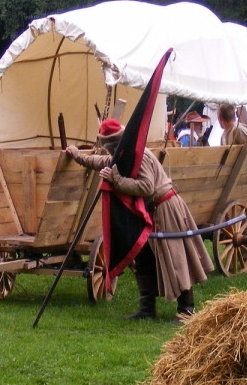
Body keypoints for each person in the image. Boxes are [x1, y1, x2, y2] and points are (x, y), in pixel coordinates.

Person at [65, 119, 213, 321]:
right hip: (148, 211)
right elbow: (103, 163)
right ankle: (147, 309)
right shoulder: (124, 153)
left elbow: (146, 187)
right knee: (143, 257)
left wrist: (116, 180)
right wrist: (77, 155)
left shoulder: (138, 154)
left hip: (164, 207)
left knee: (175, 256)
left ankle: (186, 309)